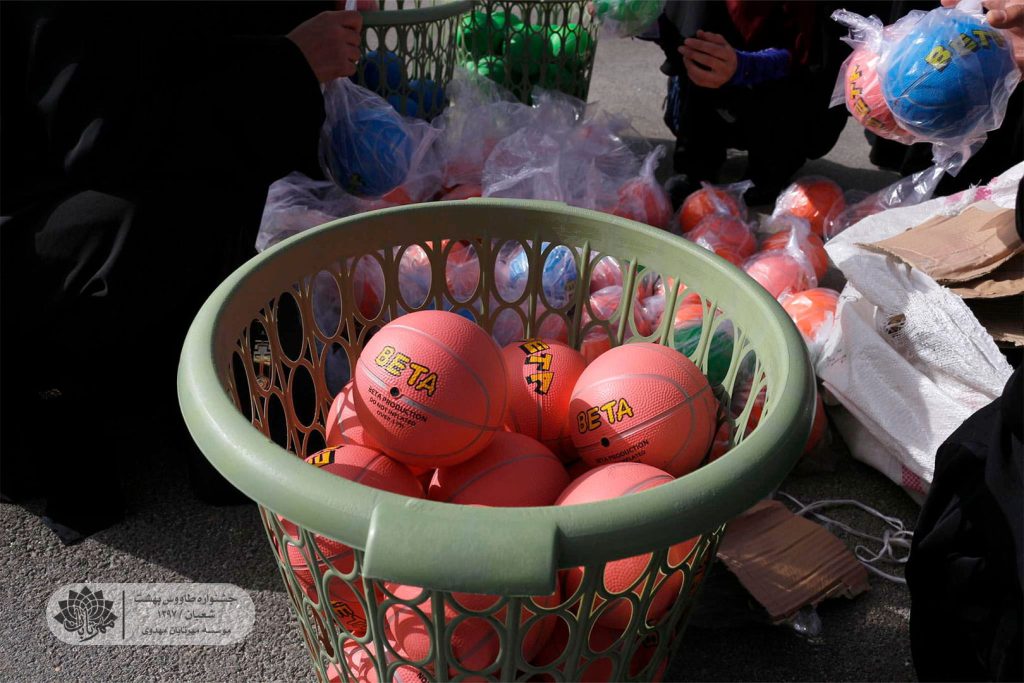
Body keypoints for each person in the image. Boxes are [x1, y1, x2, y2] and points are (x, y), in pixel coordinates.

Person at [0, 2, 365, 542]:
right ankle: (79, 396)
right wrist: (288, 63)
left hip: (110, 187)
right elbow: (106, 138)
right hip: (39, 239)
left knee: (220, 220)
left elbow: (192, 40)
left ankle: (187, 392)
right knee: (172, 210)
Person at [648, 1, 851, 207]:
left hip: (785, 90)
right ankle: (697, 159)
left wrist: (744, 66)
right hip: (706, 82)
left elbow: (817, 58)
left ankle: (770, 166)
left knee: (771, 167)